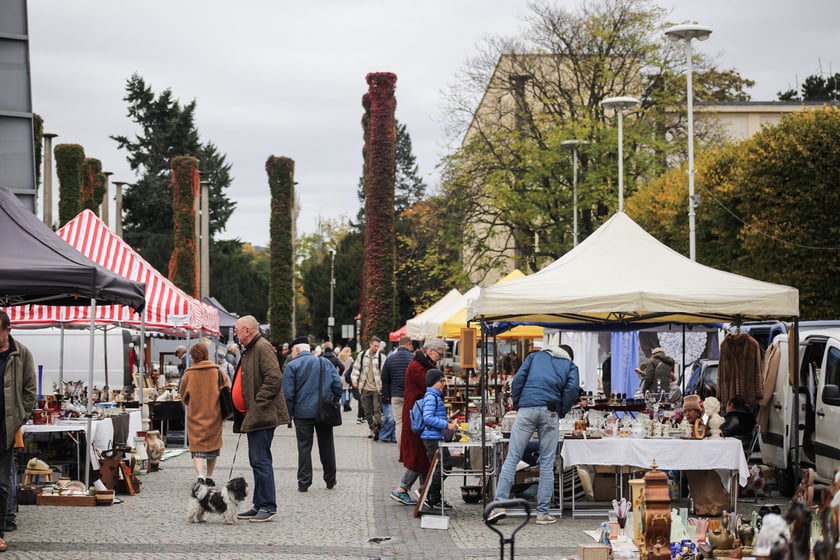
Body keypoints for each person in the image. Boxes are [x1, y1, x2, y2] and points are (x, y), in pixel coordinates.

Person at [489, 344, 579, 526]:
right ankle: (542, 513)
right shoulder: (570, 366)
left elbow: (518, 380)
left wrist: (520, 403)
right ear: (569, 356)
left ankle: (499, 506)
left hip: (527, 410)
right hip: (551, 411)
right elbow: (572, 390)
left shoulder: (534, 357)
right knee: (546, 462)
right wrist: (561, 411)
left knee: (512, 457)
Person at [231, 315, 289, 523]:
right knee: (257, 461)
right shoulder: (251, 349)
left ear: (247, 330)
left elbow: (274, 378)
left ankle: (268, 506)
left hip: (262, 416)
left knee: (261, 461)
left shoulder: (262, 347)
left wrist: (257, 404)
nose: (235, 333)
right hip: (254, 416)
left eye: (237, 329)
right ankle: (259, 504)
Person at [282, 336, 343, 492]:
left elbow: (288, 394)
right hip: (324, 411)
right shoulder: (325, 363)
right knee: (327, 445)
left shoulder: (292, 366)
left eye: (292, 351)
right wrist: (333, 400)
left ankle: (304, 482)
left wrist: (289, 415)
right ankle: (330, 479)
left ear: (296, 350)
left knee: (304, 448)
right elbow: (338, 385)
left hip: (302, 413)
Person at [391, 338, 446, 506]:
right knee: (417, 456)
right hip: (418, 418)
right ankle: (401, 489)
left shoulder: (423, 365)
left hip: (420, 416)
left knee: (424, 455)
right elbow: (432, 388)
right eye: (440, 354)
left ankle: (426, 492)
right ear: (430, 351)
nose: (441, 358)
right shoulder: (418, 367)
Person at [0, 311, 36, 551]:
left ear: (7, 329)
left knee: (2, 484)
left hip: (4, 429)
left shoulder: (21, 354)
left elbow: (30, 391)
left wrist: (18, 418)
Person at [179, 342, 229, 485]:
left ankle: (200, 475)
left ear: (193, 356)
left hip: (195, 415)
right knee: (213, 447)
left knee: (197, 447)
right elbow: (227, 387)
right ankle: (209, 476)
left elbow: (183, 395)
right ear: (207, 354)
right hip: (215, 414)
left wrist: (192, 402)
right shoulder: (218, 371)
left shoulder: (189, 373)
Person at [419, 368, 459, 511]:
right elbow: (428, 418)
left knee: (440, 466)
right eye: (441, 381)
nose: (443, 384)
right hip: (432, 437)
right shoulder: (431, 397)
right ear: (433, 382)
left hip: (435, 436)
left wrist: (446, 420)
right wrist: (447, 425)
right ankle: (430, 495)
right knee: (444, 465)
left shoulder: (435, 396)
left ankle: (433, 496)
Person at [379, 335, 414, 444]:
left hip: (395, 395)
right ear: (408, 344)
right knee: (410, 422)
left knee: (399, 422)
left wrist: (388, 394)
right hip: (410, 395)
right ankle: (408, 448)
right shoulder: (413, 358)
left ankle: (400, 448)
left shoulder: (390, 358)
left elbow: (384, 378)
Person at [351, 336, 383, 440]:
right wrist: (354, 380)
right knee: (367, 411)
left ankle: (377, 428)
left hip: (377, 388)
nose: (377, 348)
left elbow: (384, 372)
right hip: (364, 387)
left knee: (377, 410)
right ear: (370, 344)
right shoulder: (362, 355)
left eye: (378, 346)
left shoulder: (381, 357)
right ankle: (373, 428)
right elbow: (356, 368)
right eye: (375, 346)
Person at [337, 346, 355, 412]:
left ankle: (343, 403)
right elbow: (353, 367)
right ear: (347, 352)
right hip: (348, 377)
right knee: (350, 391)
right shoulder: (350, 359)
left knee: (343, 391)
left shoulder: (339, 358)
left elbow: (337, 368)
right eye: (350, 351)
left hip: (340, 377)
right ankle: (348, 403)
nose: (351, 353)